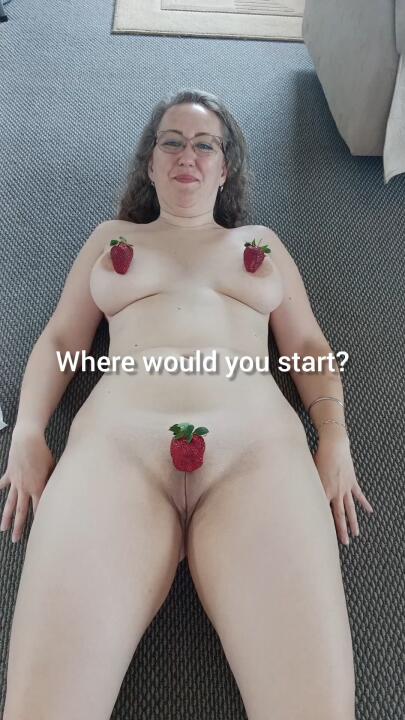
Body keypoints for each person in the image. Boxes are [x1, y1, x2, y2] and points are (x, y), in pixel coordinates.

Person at [0, 88, 374, 720]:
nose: (187, 155)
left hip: (258, 454)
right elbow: (62, 339)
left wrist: (335, 438)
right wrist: (29, 432)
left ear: (225, 169)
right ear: (150, 163)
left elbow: (309, 347)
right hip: (115, 453)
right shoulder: (111, 237)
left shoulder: (262, 243)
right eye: (171, 141)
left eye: (205, 145)